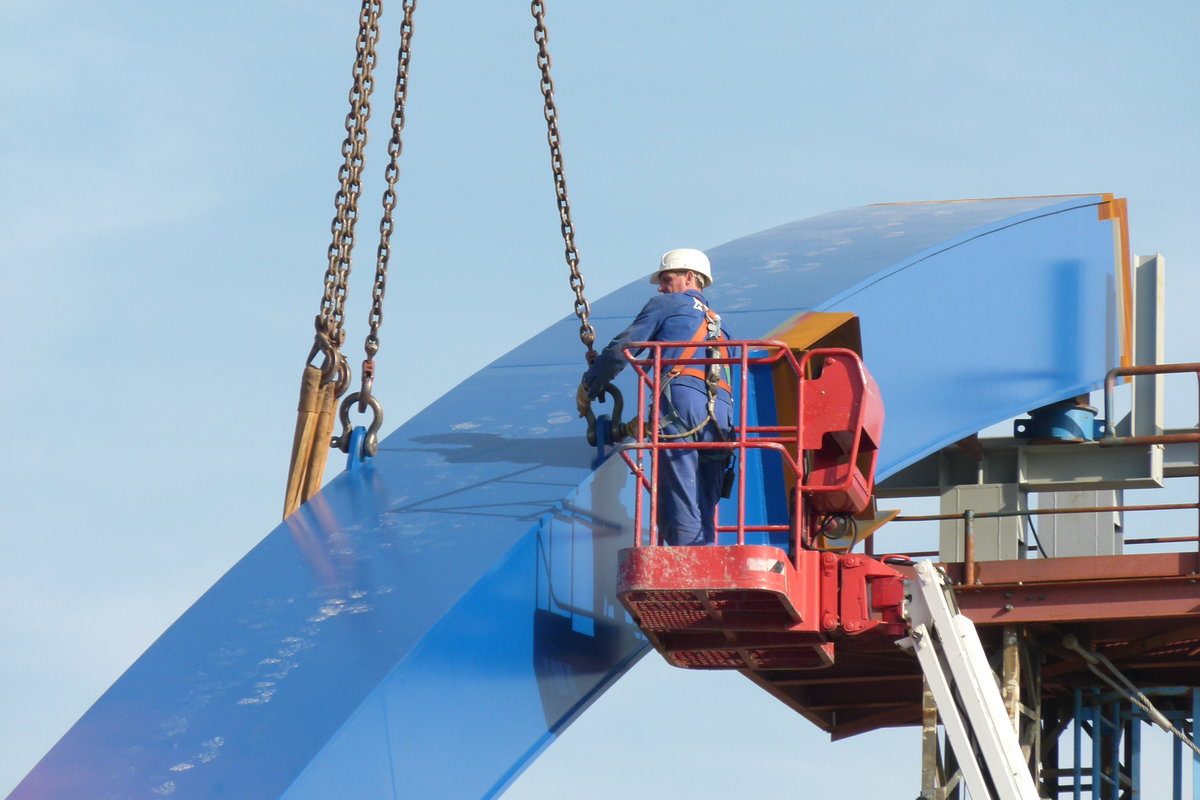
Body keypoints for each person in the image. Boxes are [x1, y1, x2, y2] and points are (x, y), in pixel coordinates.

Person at [576, 248, 734, 546]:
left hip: (681, 405)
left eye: (667, 278)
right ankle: (706, 560)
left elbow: (623, 348)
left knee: (680, 494)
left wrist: (590, 383)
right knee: (705, 502)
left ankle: (688, 571)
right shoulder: (721, 325)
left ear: (690, 277)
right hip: (722, 417)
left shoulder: (666, 304)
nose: (661, 287)